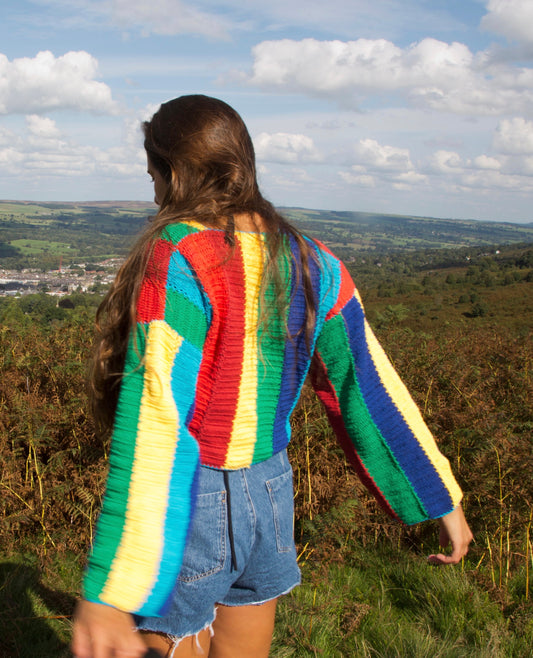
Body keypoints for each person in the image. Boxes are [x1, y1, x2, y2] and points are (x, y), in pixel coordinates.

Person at [72, 94, 473, 658]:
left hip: (194, 495)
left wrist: (116, 584)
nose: (155, 192)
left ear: (175, 172)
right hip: (272, 491)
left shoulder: (182, 253)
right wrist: (440, 498)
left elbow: (159, 413)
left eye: (153, 176)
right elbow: (368, 387)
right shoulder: (314, 258)